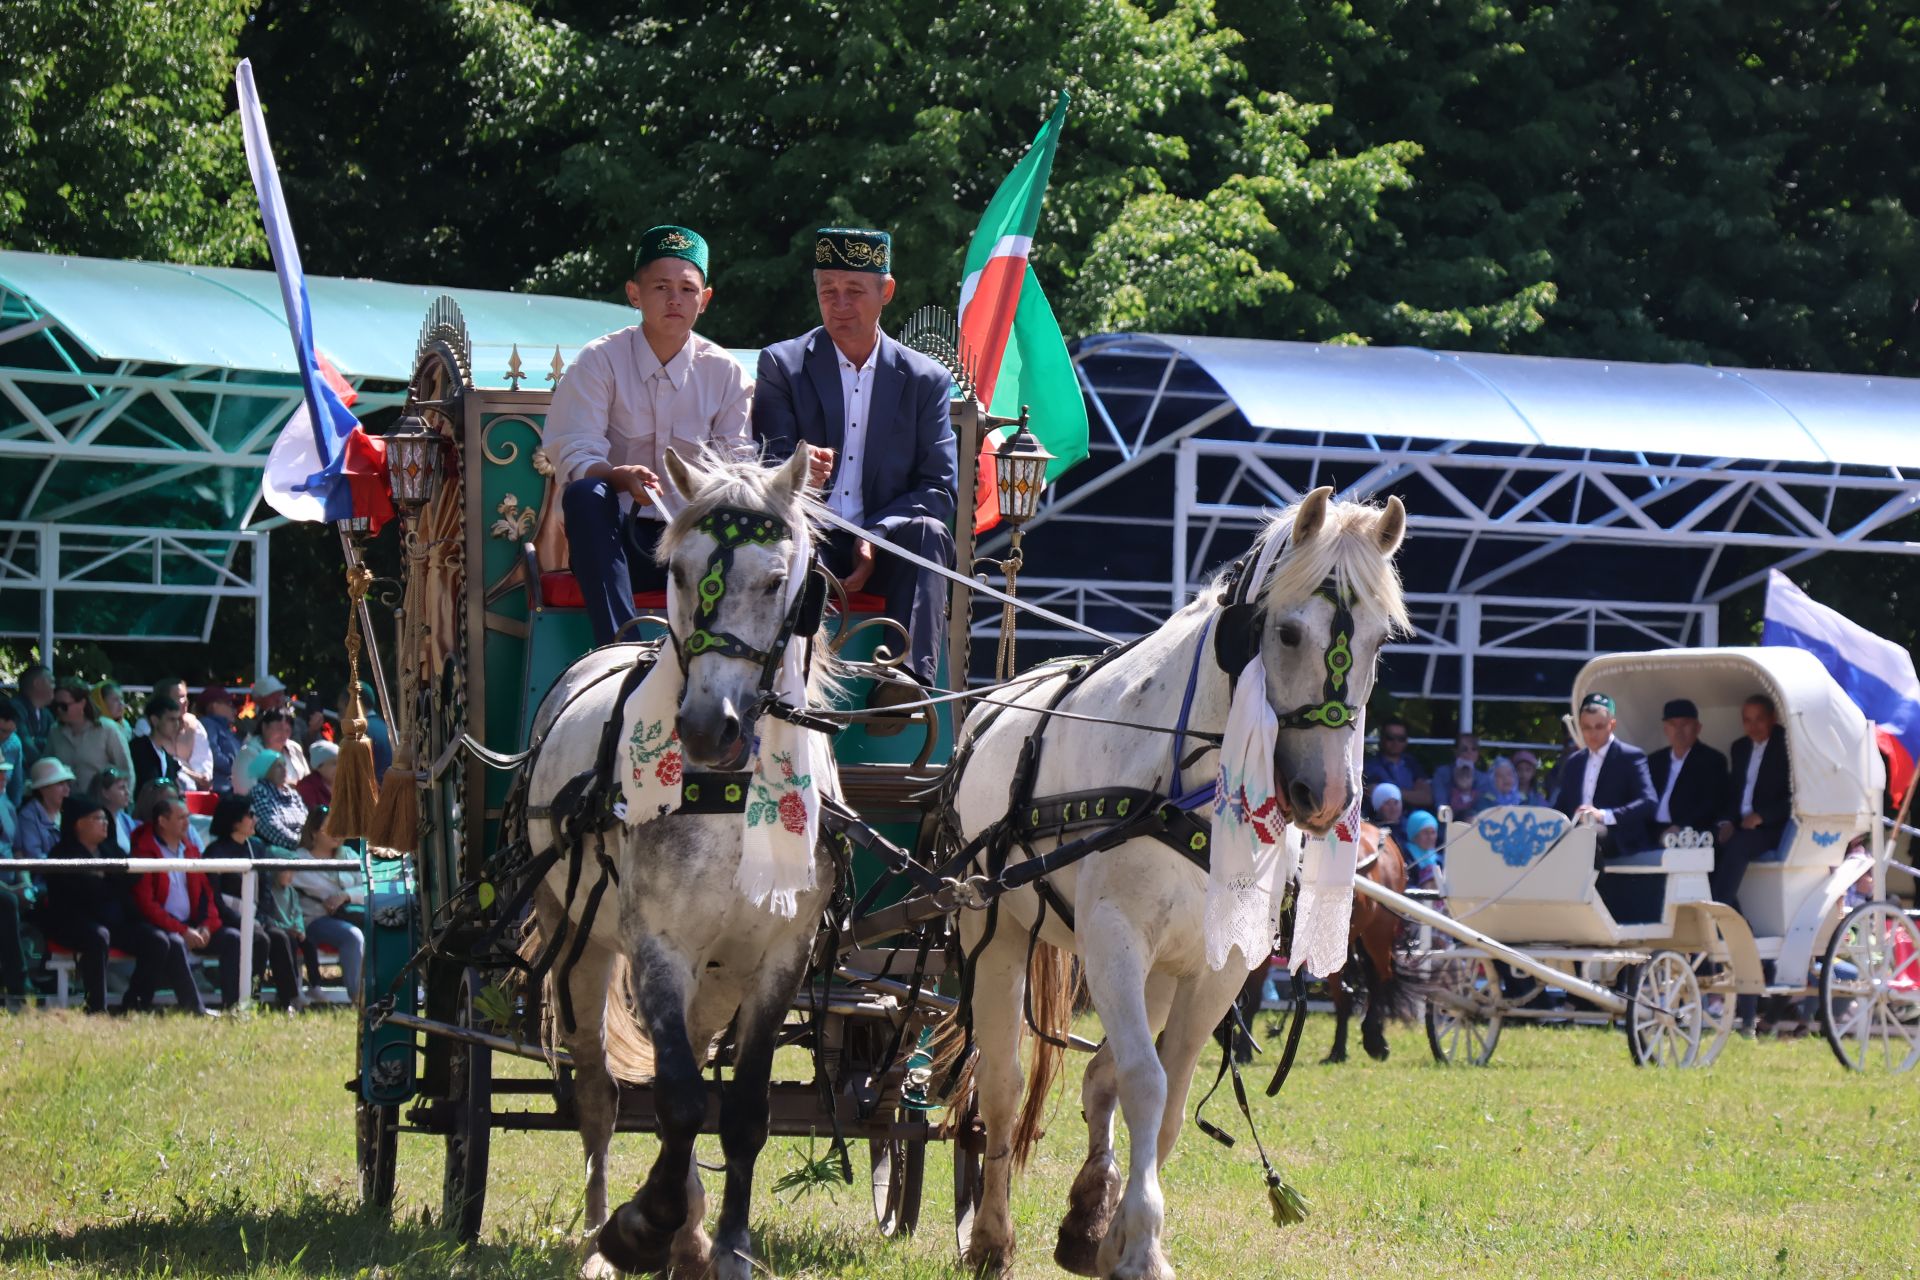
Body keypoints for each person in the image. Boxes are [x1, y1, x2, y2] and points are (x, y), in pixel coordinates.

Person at [752, 226, 958, 722]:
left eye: (854, 291)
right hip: (807, 532)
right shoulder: (783, 365)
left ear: (886, 292)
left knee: (929, 533)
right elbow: (766, 472)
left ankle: (903, 685)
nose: (840, 304)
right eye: (828, 292)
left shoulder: (926, 379)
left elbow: (938, 488)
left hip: (883, 539)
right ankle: (776, 692)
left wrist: (875, 535)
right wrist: (802, 471)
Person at [548, 225, 755, 646]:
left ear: (706, 299)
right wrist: (618, 476)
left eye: (687, 288)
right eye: (661, 286)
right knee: (586, 496)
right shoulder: (598, 361)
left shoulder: (727, 373)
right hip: (618, 540)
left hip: (694, 542)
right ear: (634, 294)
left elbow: (737, 466)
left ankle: (726, 658)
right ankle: (619, 647)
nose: (675, 299)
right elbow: (574, 449)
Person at [127, 791, 233, 1014]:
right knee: (173, 943)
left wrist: (206, 925)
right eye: (181, 818)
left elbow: (207, 895)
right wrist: (182, 930)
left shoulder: (191, 850)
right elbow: (146, 904)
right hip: (157, 927)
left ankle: (235, 1006)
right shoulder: (143, 853)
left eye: (188, 816)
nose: (188, 822)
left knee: (233, 939)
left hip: (192, 926)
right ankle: (195, 1010)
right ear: (162, 821)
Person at [39, 794, 138, 1013]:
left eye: (105, 818)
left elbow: (127, 885)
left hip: (114, 919)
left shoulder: (112, 851)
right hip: (73, 923)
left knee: (157, 939)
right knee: (97, 936)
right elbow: (77, 894)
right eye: (97, 818)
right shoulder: (61, 855)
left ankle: (134, 1005)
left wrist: (100, 881)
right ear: (79, 824)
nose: (104, 823)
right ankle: (96, 1008)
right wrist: (103, 884)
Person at [204, 796, 301, 1011]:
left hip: (255, 915)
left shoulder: (256, 848)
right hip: (227, 920)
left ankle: (289, 1001)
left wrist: (260, 917)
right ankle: (247, 999)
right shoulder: (215, 852)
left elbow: (265, 889)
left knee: (281, 937)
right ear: (234, 821)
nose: (255, 819)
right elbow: (214, 896)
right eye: (250, 815)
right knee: (260, 940)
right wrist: (242, 920)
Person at [1550, 691, 1656, 861]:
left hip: (1616, 836)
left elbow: (1648, 802)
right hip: (1577, 835)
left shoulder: (1630, 756)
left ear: (1612, 725)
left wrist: (1603, 815)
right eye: (1586, 728)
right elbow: (1562, 806)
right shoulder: (1574, 762)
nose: (1592, 733)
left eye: (1599, 727)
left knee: (1588, 836)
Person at [1714, 694, 1792, 910]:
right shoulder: (1739, 747)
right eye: (1747, 720)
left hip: (1772, 827)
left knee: (1739, 845)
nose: (1753, 726)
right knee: (1710, 840)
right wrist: (1727, 822)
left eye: (1759, 719)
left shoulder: (1787, 746)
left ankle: (1720, 908)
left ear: (1772, 718)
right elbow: (1734, 793)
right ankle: (1730, 913)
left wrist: (1762, 816)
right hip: (1741, 824)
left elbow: (1796, 796)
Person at [290, 809, 365, 1000]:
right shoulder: (299, 860)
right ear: (314, 832)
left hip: (354, 914)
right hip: (315, 921)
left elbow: (369, 888)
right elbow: (321, 892)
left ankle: (386, 991)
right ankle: (357, 996)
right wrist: (338, 896)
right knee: (352, 936)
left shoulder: (349, 854)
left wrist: (346, 895)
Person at [1645, 697, 1729, 843]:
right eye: (1672, 725)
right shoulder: (1654, 761)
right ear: (1665, 729)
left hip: (1688, 831)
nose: (1678, 731)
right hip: (1653, 829)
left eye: (1685, 724)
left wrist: (1681, 826)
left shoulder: (1712, 760)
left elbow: (1710, 803)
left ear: (1698, 728)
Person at [46, 678, 134, 793]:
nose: (58, 710)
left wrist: (124, 803)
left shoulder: (107, 729)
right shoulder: (55, 731)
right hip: (66, 803)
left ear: (82, 703)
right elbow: (48, 768)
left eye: (64, 706)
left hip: (101, 805)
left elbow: (126, 770)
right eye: (55, 705)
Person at [17, 756, 72, 896]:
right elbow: (34, 859)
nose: (67, 790)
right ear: (43, 789)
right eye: (60, 784)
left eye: (67, 783)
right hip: (45, 885)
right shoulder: (28, 816)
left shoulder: (69, 811)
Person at [233, 710, 309, 798]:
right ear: (264, 727)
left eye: (287, 730)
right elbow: (246, 791)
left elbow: (308, 783)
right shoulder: (248, 753)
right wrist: (289, 789)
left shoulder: (295, 749)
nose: (283, 735)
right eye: (279, 729)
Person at [0, 759, 27, 1003]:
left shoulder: (7, 805)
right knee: (7, 902)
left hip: (10, 878)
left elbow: (16, 848)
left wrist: (25, 879)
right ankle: (17, 981)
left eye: (4, 772)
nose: (3, 778)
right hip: (4, 889)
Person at [1363, 717, 1433, 810]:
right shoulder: (1370, 765)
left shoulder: (1412, 764)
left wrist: (1390, 793)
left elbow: (1426, 797)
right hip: (1379, 819)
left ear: (1406, 741)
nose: (1396, 742)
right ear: (1382, 738)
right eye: (1390, 738)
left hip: (1411, 818)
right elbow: (1371, 792)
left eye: (1401, 738)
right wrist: (1411, 795)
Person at [247, 751, 309, 852]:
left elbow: (308, 822)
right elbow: (270, 827)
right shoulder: (259, 791)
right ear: (265, 769)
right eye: (278, 766)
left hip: (306, 846)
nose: (284, 770)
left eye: (284, 765)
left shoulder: (293, 794)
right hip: (279, 850)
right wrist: (302, 843)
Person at [197, 687, 243, 794]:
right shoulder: (207, 724)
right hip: (220, 791)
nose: (234, 710)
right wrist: (237, 768)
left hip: (232, 788)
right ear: (214, 705)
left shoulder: (227, 729)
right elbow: (213, 755)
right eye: (230, 704)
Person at [9, 664, 54, 763]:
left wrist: (35, 740)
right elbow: (25, 745)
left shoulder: (46, 714)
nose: (54, 687)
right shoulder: (14, 709)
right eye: (52, 682)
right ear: (38, 683)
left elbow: (56, 743)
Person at [87, 767, 136, 852]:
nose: (127, 793)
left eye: (127, 788)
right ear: (105, 793)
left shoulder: (127, 821)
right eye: (122, 788)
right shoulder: (93, 821)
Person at [90, 681, 134, 749]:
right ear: (101, 703)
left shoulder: (125, 725)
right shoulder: (94, 728)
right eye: (115, 700)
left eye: (122, 699)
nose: (121, 703)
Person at [1404, 810, 1441, 889]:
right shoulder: (1405, 857)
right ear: (1414, 834)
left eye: (1433, 832)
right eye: (1425, 833)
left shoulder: (1439, 860)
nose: (1430, 837)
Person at [297, 739, 338, 811]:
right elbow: (314, 818)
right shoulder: (306, 787)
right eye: (334, 763)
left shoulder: (345, 784)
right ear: (319, 767)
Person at [1369, 781, 1407, 849]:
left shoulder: (1408, 828)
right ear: (1378, 807)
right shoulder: (1375, 833)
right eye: (1387, 803)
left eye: (1396, 802)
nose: (1393, 808)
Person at [0, 701, 24, 808]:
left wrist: (15, 807)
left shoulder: (14, 743)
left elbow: (16, 780)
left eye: (11, 732)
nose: (5, 736)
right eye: (2, 731)